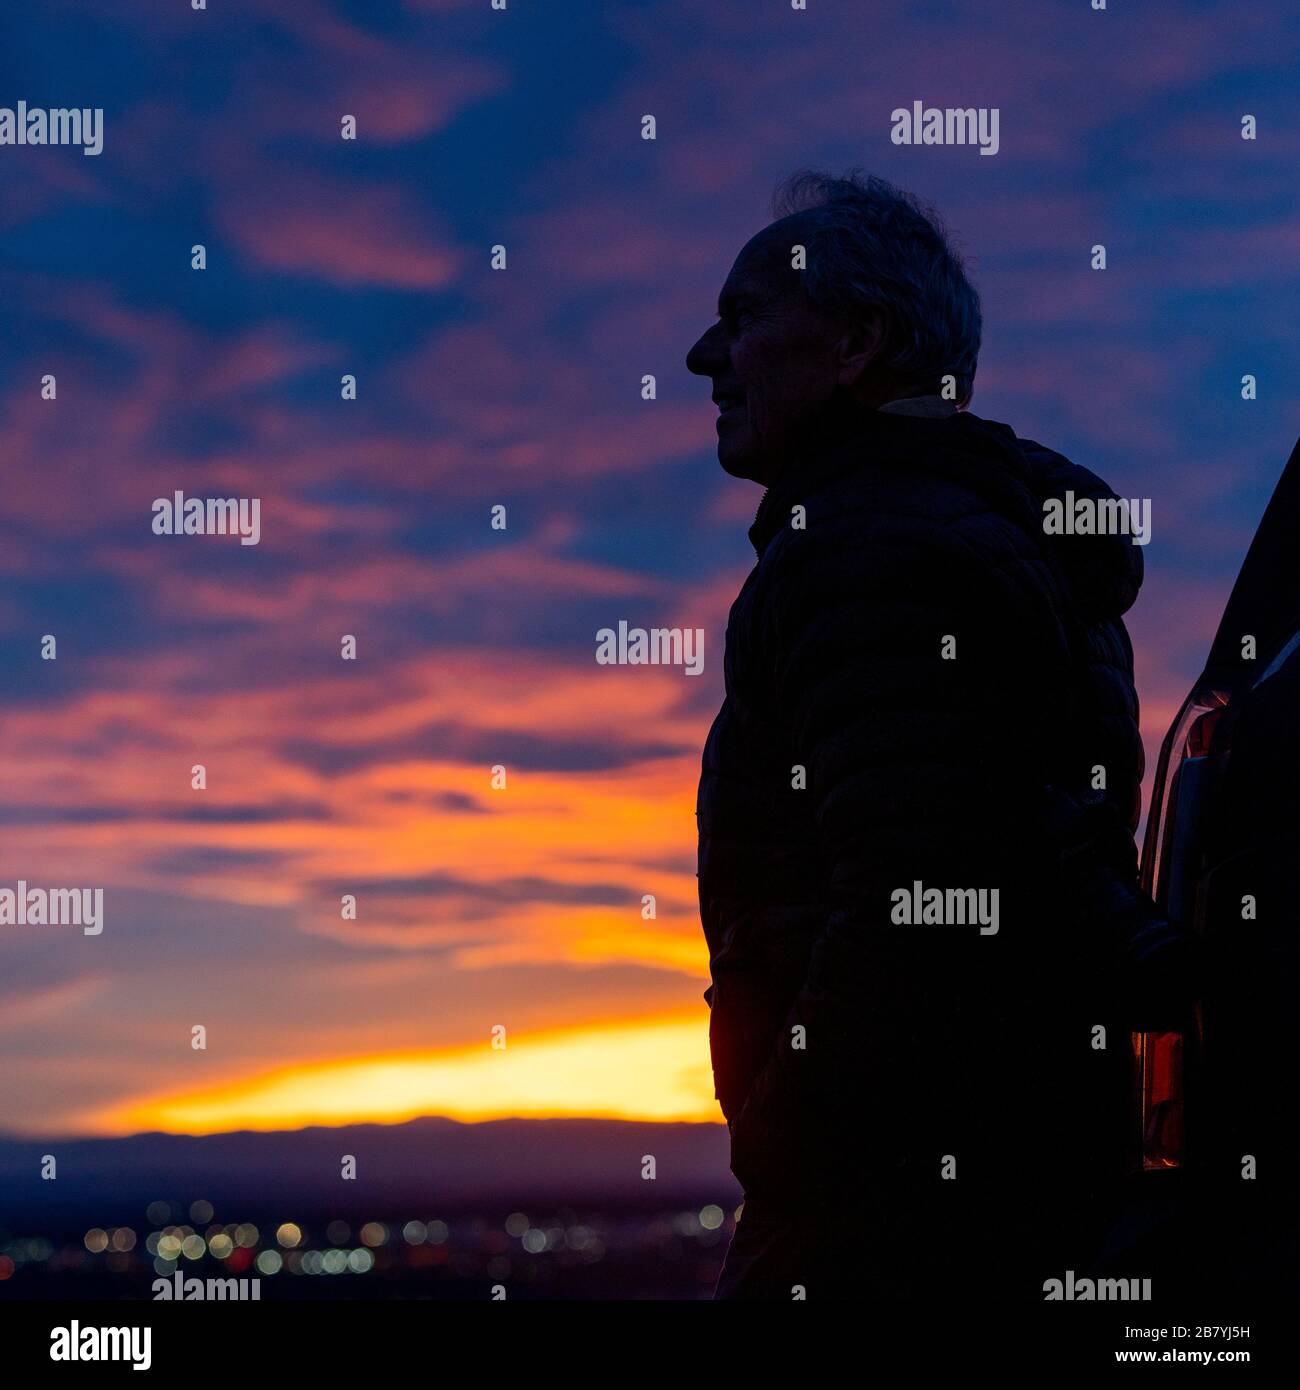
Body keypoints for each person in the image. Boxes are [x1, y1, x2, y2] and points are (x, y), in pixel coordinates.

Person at [686, 170, 1194, 1300]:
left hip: (890, 1202)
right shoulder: (997, 536)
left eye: (744, 317)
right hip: (1025, 1164)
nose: (702, 359)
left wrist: (788, 1136)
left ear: (858, 340)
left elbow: (912, 901)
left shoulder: (873, 545)